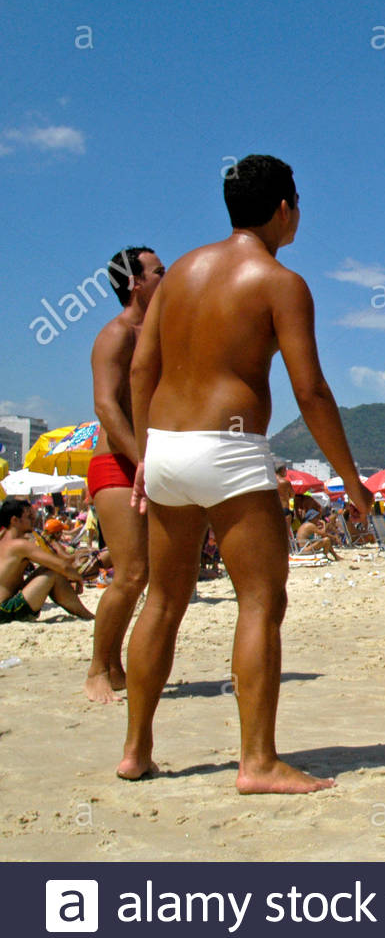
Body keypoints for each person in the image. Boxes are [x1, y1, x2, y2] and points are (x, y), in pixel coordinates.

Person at [119, 154, 373, 792]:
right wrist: (350, 478)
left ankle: (136, 750)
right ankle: (257, 762)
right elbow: (310, 391)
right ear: (285, 209)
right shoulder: (280, 281)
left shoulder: (178, 273)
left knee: (163, 600)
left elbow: (141, 367)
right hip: (229, 453)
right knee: (261, 602)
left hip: (167, 448)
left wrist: (148, 451)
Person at [84, 245, 165, 703]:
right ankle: (98, 670)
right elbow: (106, 407)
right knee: (132, 572)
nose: (166, 277)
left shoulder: (158, 332)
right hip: (116, 461)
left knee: (145, 572)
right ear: (134, 282)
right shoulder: (116, 334)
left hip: (147, 461)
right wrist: (142, 463)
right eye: (159, 271)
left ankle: (115, 666)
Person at [0, 499, 95, 624]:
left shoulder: (3, 541)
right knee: (53, 573)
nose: (33, 520)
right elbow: (62, 566)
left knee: (46, 570)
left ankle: (87, 615)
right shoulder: (20, 545)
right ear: (14, 520)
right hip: (5, 610)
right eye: (29, 516)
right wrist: (79, 579)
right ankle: (87, 615)